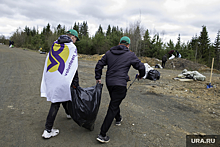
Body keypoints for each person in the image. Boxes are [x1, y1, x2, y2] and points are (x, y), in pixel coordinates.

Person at [95, 36, 146, 143]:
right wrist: (141, 75)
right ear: (128, 45)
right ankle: (102, 134)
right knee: (113, 105)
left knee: (114, 101)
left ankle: (118, 119)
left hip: (110, 83)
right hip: (120, 84)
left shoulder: (109, 53)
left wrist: (98, 77)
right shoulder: (130, 54)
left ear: (119, 43)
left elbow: (99, 64)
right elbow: (141, 66)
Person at [41, 29, 80, 139]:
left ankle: (68, 113)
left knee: (63, 96)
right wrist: (76, 83)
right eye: (76, 39)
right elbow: (73, 67)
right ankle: (48, 130)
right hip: (62, 80)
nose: (75, 41)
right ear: (72, 37)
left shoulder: (55, 45)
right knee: (56, 102)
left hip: (52, 77)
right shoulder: (72, 47)